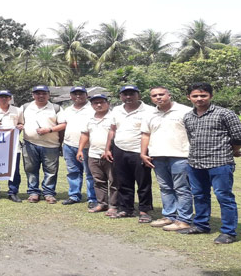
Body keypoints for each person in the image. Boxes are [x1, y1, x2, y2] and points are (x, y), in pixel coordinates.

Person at [180, 82, 241, 244]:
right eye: (195, 96)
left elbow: (237, 137)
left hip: (220, 162)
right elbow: (191, 138)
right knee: (199, 195)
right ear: (189, 97)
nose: (199, 99)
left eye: (203, 95)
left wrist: (234, 151)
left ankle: (228, 232)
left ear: (211, 96)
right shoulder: (188, 116)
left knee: (224, 197)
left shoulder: (225, 114)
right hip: (195, 163)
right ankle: (201, 225)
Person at [140, 87, 193, 231]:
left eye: (161, 94)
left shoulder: (185, 111)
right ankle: (169, 216)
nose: (158, 97)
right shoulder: (149, 114)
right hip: (158, 155)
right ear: (151, 98)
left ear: (169, 95)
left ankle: (184, 220)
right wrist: (143, 153)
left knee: (182, 188)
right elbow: (146, 134)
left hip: (180, 155)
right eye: (154, 95)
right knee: (165, 188)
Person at [103, 85, 155, 222]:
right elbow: (112, 130)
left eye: (131, 94)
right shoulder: (116, 110)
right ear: (120, 96)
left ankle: (144, 210)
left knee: (143, 182)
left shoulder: (149, 110)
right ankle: (126, 208)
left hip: (140, 151)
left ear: (138, 95)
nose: (128, 97)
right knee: (123, 181)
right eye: (124, 94)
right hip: (119, 149)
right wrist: (107, 148)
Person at [18, 85, 64, 204]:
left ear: (48, 95)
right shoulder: (25, 107)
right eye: (37, 93)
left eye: (44, 93)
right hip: (30, 144)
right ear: (33, 95)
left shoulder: (56, 108)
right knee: (31, 169)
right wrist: (20, 126)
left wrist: (49, 130)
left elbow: (63, 124)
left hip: (51, 145)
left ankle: (48, 193)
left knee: (51, 170)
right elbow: (19, 122)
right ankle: (33, 192)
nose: (41, 96)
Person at [77, 94, 118, 216]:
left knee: (114, 181)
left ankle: (114, 205)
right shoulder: (89, 119)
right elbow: (85, 135)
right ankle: (102, 203)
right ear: (92, 105)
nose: (99, 105)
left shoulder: (113, 117)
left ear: (108, 103)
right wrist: (80, 150)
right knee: (98, 180)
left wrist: (108, 149)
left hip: (111, 154)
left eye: (101, 102)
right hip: (93, 154)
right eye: (95, 103)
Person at [58, 86, 97, 207]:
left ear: (86, 95)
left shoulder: (93, 109)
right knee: (73, 172)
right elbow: (62, 125)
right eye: (75, 94)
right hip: (69, 145)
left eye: (81, 93)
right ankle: (74, 195)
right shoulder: (67, 110)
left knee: (90, 174)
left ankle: (93, 198)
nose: (78, 96)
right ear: (71, 96)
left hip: (88, 146)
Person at [0, 89, 23, 202]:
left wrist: (20, 126)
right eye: (1, 96)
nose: (3, 99)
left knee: (14, 170)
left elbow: (21, 123)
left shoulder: (17, 110)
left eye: (6, 97)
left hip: (13, 146)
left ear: (10, 98)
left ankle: (13, 192)